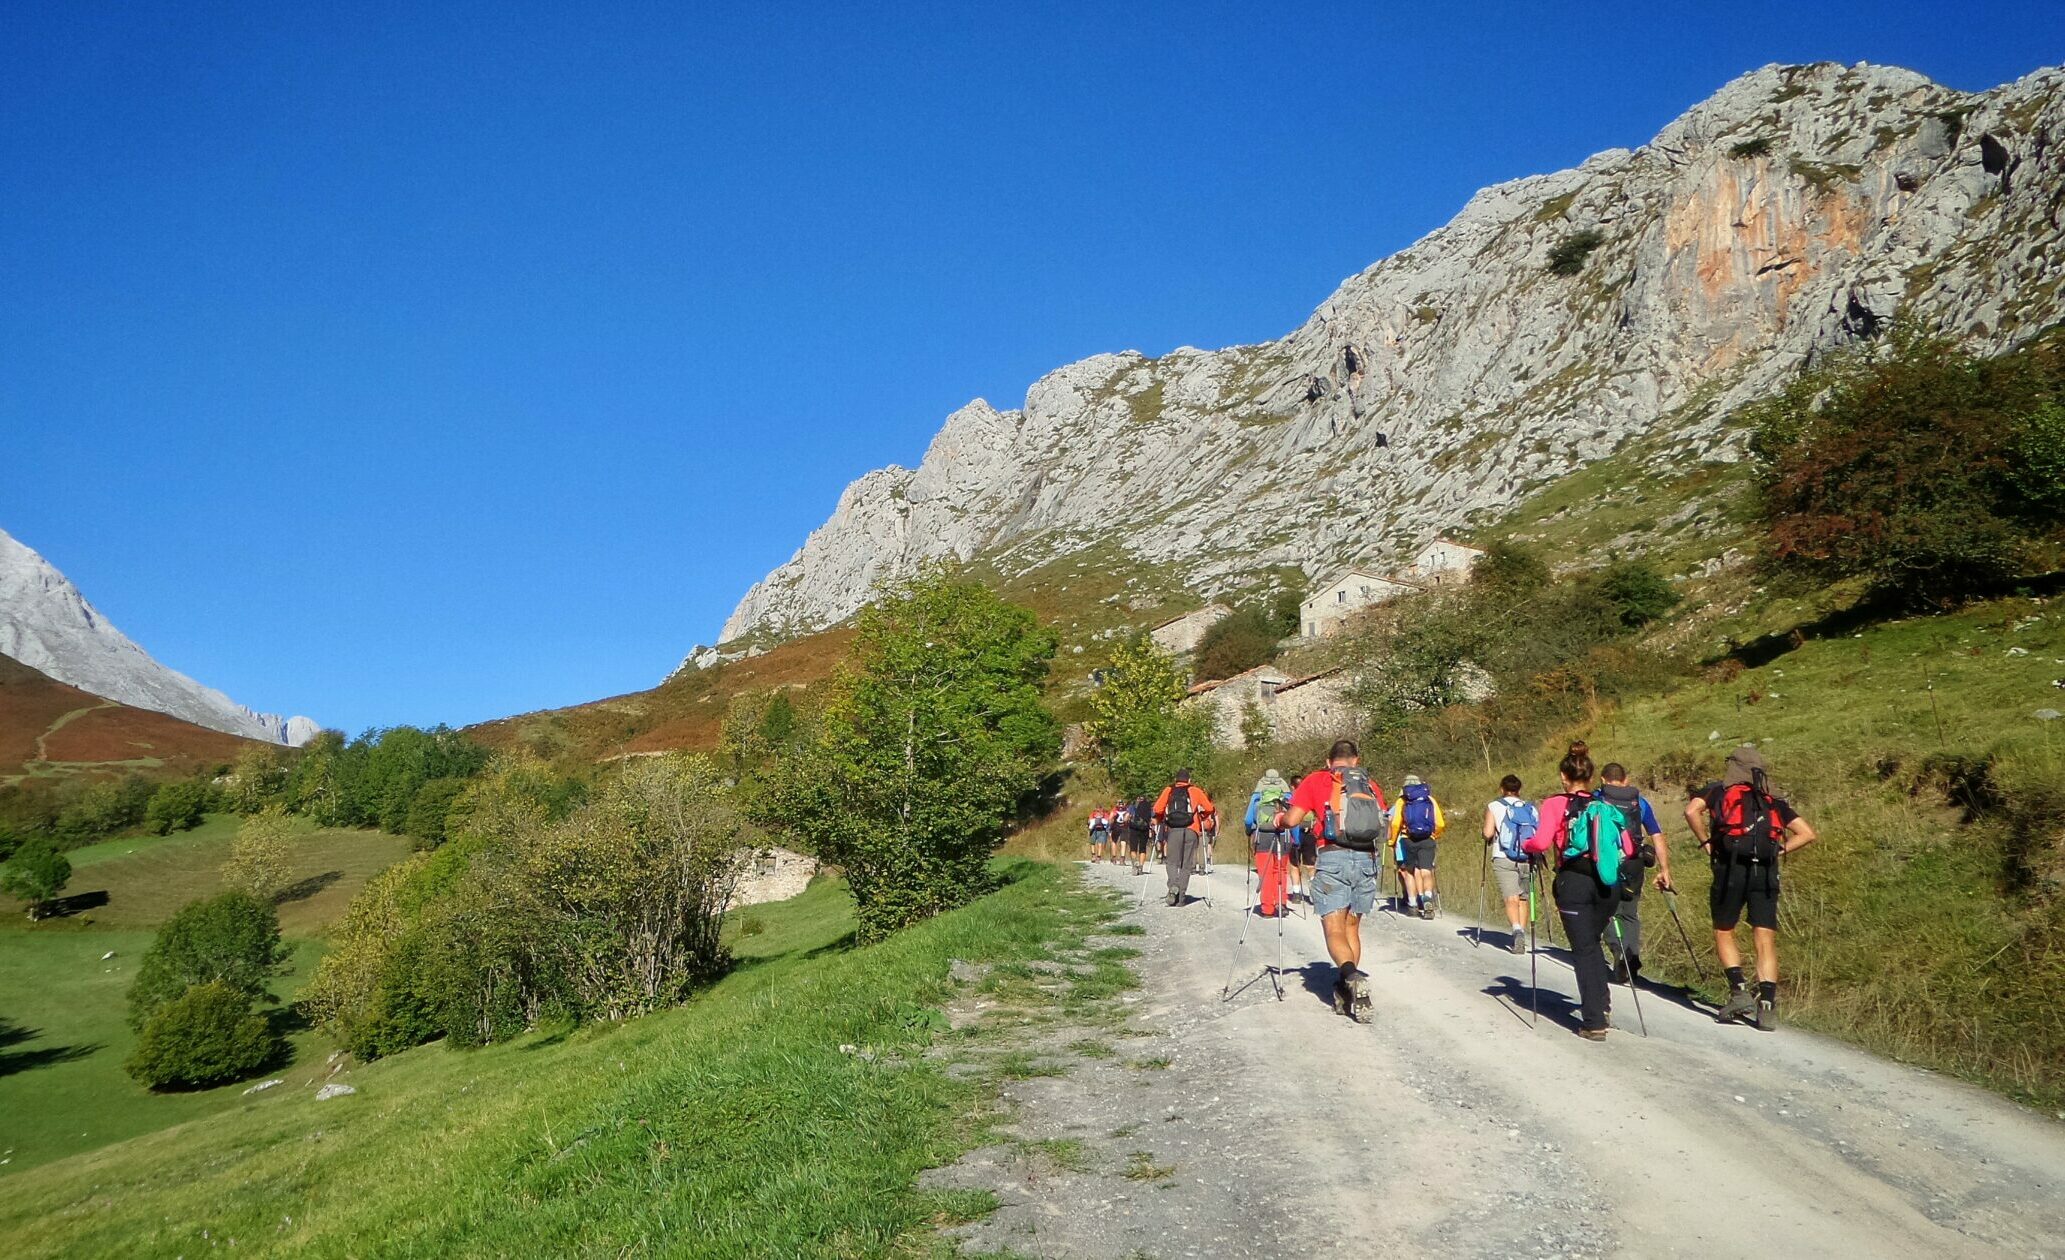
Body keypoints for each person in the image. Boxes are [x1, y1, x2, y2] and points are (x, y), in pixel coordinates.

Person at [1684, 744, 1817, 1031]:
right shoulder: (1772, 799)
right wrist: (1777, 852)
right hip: (1766, 873)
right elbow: (1807, 834)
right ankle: (1767, 1006)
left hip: (1729, 868)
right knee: (1764, 937)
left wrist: (1707, 843)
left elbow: (1691, 811)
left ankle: (1739, 991)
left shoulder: (1719, 790)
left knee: (1724, 929)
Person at [1523, 741, 1630, 1041]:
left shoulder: (1555, 803)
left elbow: (1541, 842)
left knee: (1583, 949)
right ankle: (1602, 1004)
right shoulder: (1605, 806)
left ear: (1563, 775)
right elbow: (1629, 847)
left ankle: (1595, 1021)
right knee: (1592, 943)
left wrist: (1526, 845)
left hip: (1575, 882)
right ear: (1592, 775)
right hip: (1609, 884)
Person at [1283, 739, 1389, 1021]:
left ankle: (1350, 975)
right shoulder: (1369, 784)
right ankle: (1347, 987)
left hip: (1333, 857)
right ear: (1356, 760)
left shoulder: (1318, 780)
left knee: (1334, 929)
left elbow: (1293, 819)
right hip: (1366, 859)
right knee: (1352, 927)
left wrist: (1281, 819)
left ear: (1329, 761)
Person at [1597, 763, 1670, 983]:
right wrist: (1665, 868)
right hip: (1635, 862)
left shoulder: (1597, 799)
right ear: (1626, 779)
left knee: (1606, 910)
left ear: (1603, 779)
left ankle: (1620, 953)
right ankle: (1632, 955)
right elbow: (1656, 835)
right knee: (1629, 912)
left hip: (1607, 861)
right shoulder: (1640, 802)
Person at [1481, 774, 1537, 955]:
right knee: (1523, 898)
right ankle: (1523, 931)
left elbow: (1488, 833)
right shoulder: (1530, 808)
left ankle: (1516, 931)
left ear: (1501, 789)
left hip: (1503, 856)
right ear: (1519, 790)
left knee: (1510, 897)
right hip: (1527, 857)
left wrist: (1485, 837)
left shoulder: (1494, 806)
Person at [1153, 770, 1216, 906]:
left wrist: (1160, 818)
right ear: (1189, 779)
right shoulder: (1195, 790)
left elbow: (1157, 809)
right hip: (1192, 829)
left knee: (1171, 862)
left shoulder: (1169, 790)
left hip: (1174, 829)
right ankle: (1181, 899)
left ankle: (1173, 885)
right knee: (1186, 864)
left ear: (1176, 779)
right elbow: (1210, 808)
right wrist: (1202, 814)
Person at [1389, 774, 1447, 919]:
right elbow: (1440, 823)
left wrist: (1392, 841)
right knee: (1426, 870)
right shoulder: (1430, 799)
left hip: (1408, 839)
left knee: (1410, 872)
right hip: (1428, 839)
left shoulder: (1402, 801)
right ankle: (1427, 898)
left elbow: (1395, 824)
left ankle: (1413, 905)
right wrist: (1434, 835)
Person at [1244, 768, 1294, 917]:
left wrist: (1249, 831)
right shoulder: (1287, 796)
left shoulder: (1258, 795)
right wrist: (1295, 840)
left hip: (1263, 837)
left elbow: (1248, 820)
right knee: (1281, 870)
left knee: (1265, 872)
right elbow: (1293, 820)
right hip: (1284, 836)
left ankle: (1267, 908)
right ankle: (1281, 903)